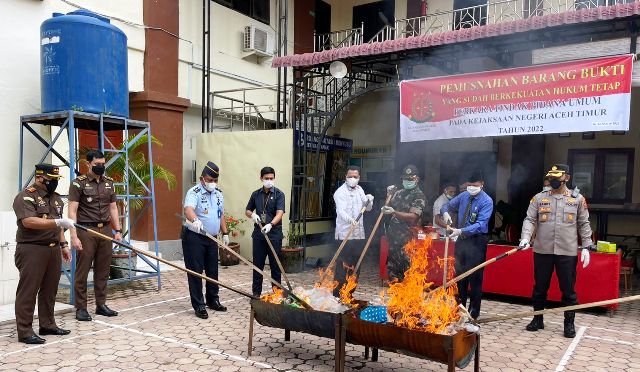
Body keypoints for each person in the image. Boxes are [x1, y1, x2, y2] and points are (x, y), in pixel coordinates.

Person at [519, 164, 593, 338]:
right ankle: (537, 319)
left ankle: (569, 323)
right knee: (539, 287)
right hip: (542, 249)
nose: (553, 181)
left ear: (566, 178)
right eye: (551, 178)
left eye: (556, 178)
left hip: (567, 251)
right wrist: (525, 238)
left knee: (568, 290)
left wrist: (587, 247)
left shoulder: (577, 199)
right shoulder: (539, 198)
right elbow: (530, 219)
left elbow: (584, 224)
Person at [12, 164, 75, 344]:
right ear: (39, 178)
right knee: (28, 291)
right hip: (32, 249)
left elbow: (60, 226)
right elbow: (29, 221)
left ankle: (47, 324)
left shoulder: (56, 199)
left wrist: (64, 245)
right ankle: (24, 331)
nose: (54, 183)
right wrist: (57, 222)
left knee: (50, 289)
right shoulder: (25, 196)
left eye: (55, 180)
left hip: (53, 248)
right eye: (51, 180)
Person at [68, 150, 121, 321]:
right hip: (86, 230)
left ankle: (101, 304)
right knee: (83, 270)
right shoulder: (78, 183)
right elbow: (72, 211)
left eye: (103, 164)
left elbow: (113, 208)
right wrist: (74, 235)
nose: (101, 167)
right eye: (97, 164)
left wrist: (118, 231)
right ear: (88, 164)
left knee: (103, 269)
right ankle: (81, 308)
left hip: (105, 230)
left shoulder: (109, 183)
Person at [441, 171, 494, 320]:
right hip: (462, 240)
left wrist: (460, 230)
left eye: (474, 185)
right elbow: (446, 206)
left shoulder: (486, 201)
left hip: (477, 240)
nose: (471, 187)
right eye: (469, 185)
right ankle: (459, 309)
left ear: (481, 184)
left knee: (475, 278)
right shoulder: (464, 196)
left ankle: (473, 312)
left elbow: (481, 224)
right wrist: (445, 213)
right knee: (459, 276)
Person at [182, 161, 229, 319]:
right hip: (195, 237)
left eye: (215, 180)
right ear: (202, 178)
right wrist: (195, 220)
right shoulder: (194, 192)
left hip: (212, 238)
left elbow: (220, 214)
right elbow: (188, 209)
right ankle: (199, 305)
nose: (212, 183)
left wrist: (225, 232)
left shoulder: (218, 194)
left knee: (212, 270)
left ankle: (213, 300)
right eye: (209, 180)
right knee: (195, 271)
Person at [332, 166, 374, 295]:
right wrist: (350, 220)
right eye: (350, 176)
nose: (353, 179)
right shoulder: (340, 192)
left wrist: (369, 200)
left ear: (359, 177)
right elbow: (340, 210)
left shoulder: (360, 190)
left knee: (356, 264)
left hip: (358, 234)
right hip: (345, 234)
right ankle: (338, 294)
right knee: (343, 265)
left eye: (355, 177)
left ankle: (350, 293)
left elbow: (367, 209)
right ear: (346, 177)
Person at [245, 167, 286, 297]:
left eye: (271, 178)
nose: (269, 181)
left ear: (274, 178)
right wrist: (252, 215)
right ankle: (256, 293)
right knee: (258, 265)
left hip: (274, 235)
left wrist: (271, 224)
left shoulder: (279, 194)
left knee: (275, 266)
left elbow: (280, 213)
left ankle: (277, 294)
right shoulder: (256, 194)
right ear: (261, 178)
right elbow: (247, 210)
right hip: (259, 235)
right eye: (266, 178)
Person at [381, 164, 427, 281]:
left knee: (409, 276)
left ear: (417, 179)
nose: (407, 181)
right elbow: (388, 206)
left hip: (409, 243)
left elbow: (413, 217)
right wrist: (388, 196)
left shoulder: (419, 196)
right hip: (394, 241)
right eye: (405, 179)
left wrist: (394, 212)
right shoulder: (398, 193)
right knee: (393, 277)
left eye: (410, 179)